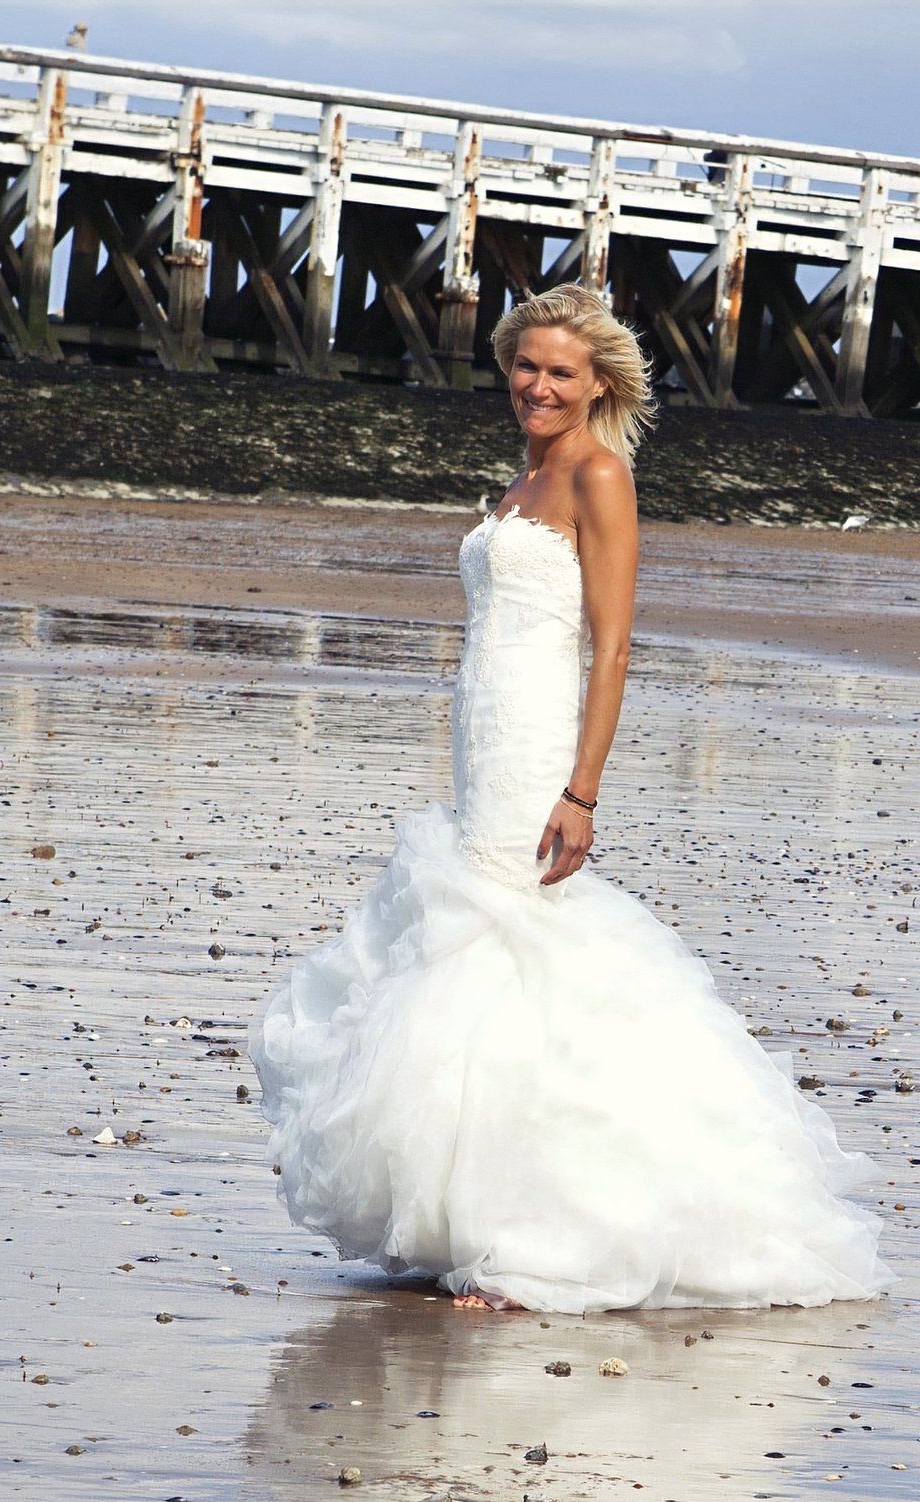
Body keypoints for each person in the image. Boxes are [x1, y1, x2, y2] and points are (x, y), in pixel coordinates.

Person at [250, 284, 885, 1314]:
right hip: (484, 739)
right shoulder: (522, 475)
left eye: (560, 372)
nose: (536, 386)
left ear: (599, 385)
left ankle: (536, 1235)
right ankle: (459, 1216)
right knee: (465, 950)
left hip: (540, 748)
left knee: (519, 947)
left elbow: (614, 643)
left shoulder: (597, 473)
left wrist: (581, 790)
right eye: (526, 366)